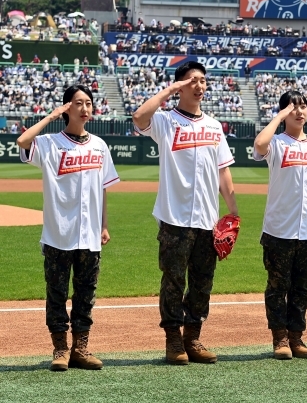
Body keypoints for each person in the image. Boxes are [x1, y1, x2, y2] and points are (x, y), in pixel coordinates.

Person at [132, 61, 239, 365]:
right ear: (180, 86)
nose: (199, 86)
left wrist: (233, 214)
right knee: (173, 281)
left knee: (203, 281)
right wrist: (169, 90)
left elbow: (224, 173)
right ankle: (173, 341)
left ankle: (193, 337)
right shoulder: (166, 122)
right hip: (174, 219)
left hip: (208, 220)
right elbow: (139, 117)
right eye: (192, 80)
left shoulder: (214, 126)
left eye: (203, 80)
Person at [16, 85, 120, 371]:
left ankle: (81, 349)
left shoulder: (99, 145)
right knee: (57, 293)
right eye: (78, 103)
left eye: (88, 102)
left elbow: (103, 190)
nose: (85, 108)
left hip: (90, 235)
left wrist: (104, 225)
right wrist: (52, 116)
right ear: (67, 108)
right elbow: (23, 141)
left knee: (86, 293)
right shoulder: (50, 143)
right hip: (58, 234)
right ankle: (60, 349)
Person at [253, 91, 307, 360]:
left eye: (303, 107)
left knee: (301, 288)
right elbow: (259, 144)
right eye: (293, 108)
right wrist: (279, 115)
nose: (299, 112)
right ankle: (280, 339)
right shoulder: (277, 143)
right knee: (278, 287)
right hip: (279, 230)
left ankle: (296, 337)